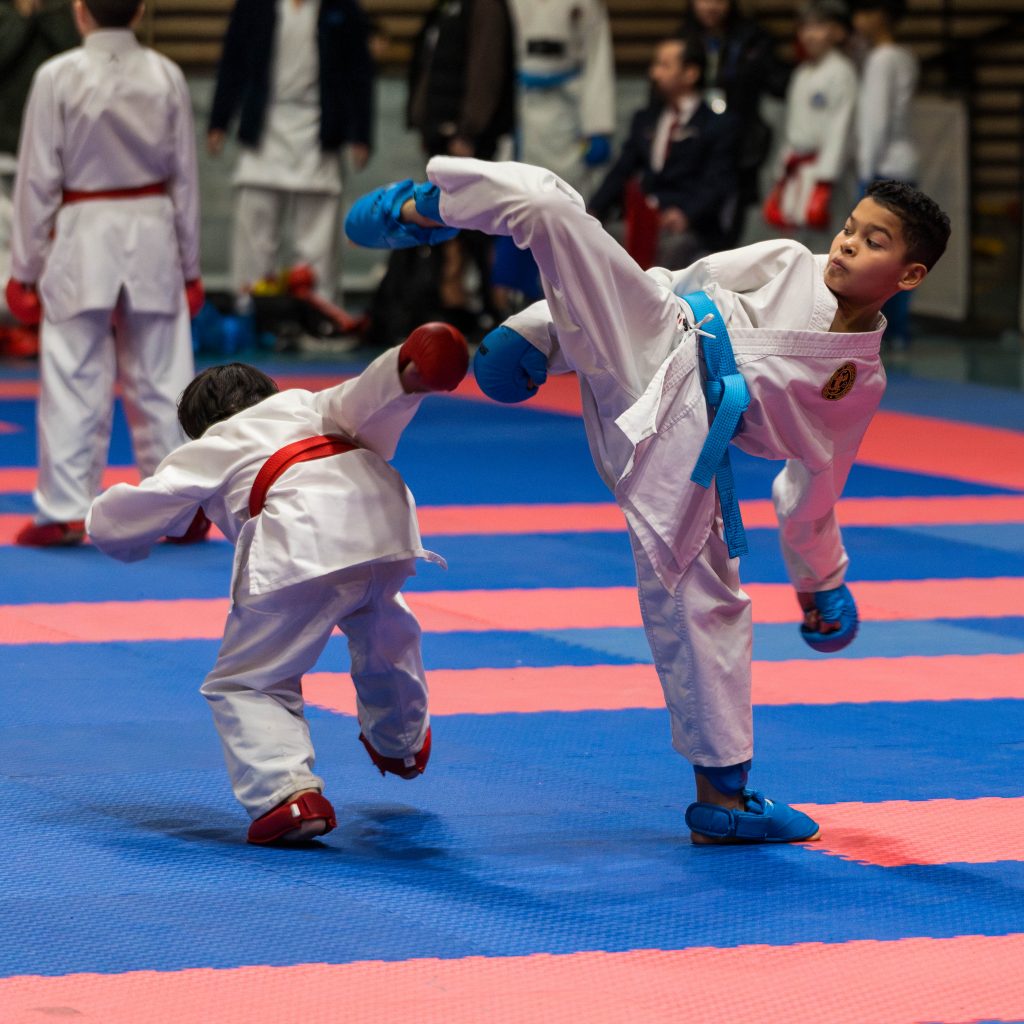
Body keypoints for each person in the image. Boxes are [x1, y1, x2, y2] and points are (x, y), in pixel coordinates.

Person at [345, 161, 950, 844]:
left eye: (872, 241)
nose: (844, 244)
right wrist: (546, 332)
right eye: (848, 228)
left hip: (688, 442)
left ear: (910, 275)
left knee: (705, 597)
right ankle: (424, 208)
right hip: (660, 332)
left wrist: (821, 581)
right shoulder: (787, 261)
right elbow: (671, 286)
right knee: (550, 207)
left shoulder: (857, 385)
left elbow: (815, 485)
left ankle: (723, 797)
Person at [86, 324, 470, 845]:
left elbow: (140, 507)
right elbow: (363, 398)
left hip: (301, 537)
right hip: (386, 525)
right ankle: (402, 739)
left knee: (248, 680)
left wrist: (107, 528)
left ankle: (287, 794)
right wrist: (404, 375)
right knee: (385, 629)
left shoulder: (216, 442)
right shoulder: (309, 405)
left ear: (200, 426)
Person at [5, 0, 205, 547]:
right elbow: (185, 178)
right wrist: (192, 266)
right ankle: (180, 507)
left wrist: (23, 269)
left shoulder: (57, 75)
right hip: (152, 232)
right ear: (140, 11)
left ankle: (66, 509)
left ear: (79, 12)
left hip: (81, 232)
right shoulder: (166, 75)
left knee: (72, 376)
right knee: (165, 379)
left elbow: (38, 179)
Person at [207, 0, 374, 310]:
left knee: (317, 239)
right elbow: (232, 62)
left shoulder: (342, 9)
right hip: (264, 127)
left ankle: (319, 311)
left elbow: (358, 72)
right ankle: (250, 309)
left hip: (319, 128)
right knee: (255, 231)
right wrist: (219, 120)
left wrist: (360, 134)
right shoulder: (253, 6)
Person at [588, 36, 739, 271]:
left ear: (690, 73)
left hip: (689, 226)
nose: (655, 73)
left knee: (674, 250)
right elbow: (622, 169)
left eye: (664, 66)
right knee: (597, 241)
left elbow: (717, 182)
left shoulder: (717, 125)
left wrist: (686, 214)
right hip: (642, 222)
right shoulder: (646, 119)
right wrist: (592, 210)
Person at [0, 0, 78, 358]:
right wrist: (22, 17)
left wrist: (41, 16)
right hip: (3, 150)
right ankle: (9, 324)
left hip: (52, 156)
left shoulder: (64, 14)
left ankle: (43, 323)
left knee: (50, 246)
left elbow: (74, 56)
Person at [676, 0, 790, 246]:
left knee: (727, 229)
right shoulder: (683, 38)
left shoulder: (752, 39)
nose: (711, 7)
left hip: (739, 146)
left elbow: (779, 82)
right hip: (692, 145)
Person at [851, 0, 918, 357]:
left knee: (878, 258)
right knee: (903, 252)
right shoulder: (904, 56)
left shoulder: (881, 60)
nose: (856, 19)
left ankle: (883, 333)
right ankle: (899, 332)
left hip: (883, 169)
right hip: (903, 166)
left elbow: (875, 122)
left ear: (880, 13)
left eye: (862, 11)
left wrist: (866, 175)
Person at [763, 0, 858, 241]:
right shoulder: (801, 72)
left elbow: (842, 127)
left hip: (825, 169)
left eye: (818, 27)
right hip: (797, 165)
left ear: (836, 32)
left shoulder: (842, 71)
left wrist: (827, 175)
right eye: (804, 28)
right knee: (794, 238)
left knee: (827, 239)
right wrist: (782, 166)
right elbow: (792, 126)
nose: (809, 35)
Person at [508, 0, 615, 196]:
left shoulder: (587, 4)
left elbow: (597, 61)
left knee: (569, 192)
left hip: (567, 110)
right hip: (521, 106)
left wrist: (598, 128)